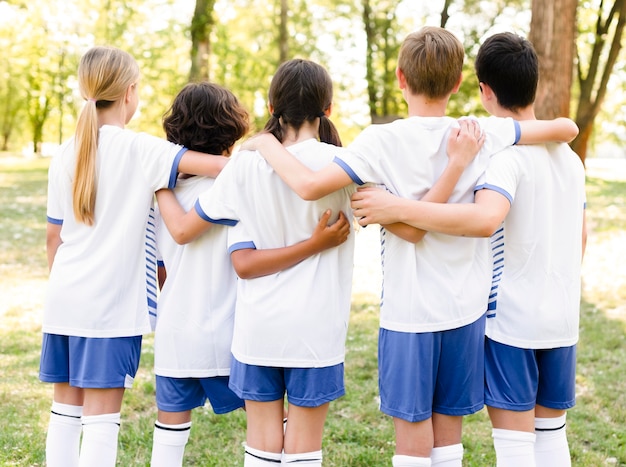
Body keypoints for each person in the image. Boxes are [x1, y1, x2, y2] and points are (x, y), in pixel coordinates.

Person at [240, 27, 579, 467]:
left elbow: (308, 185)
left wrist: (265, 142)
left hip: (409, 315)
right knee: (448, 439)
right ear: (459, 84)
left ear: (401, 78)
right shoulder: (478, 134)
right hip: (466, 311)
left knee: (414, 443)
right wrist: (458, 163)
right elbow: (564, 127)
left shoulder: (380, 142)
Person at [350, 32, 586, 467]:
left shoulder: (503, 157)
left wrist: (393, 207)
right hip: (562, 316)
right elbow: (582, 236)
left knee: (514, 446)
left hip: (510, 321)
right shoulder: (568, 159)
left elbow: (481, 221)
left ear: (482, 90)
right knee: (551, 438)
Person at [39, 46, 230, 467]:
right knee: (101, 423)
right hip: (108, 310)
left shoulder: (64, 154)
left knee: (65, 416)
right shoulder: (142, 150)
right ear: (129, 92)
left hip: (64, 301)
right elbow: (219, 168)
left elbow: (54, 239)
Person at [149, 81, 350, 466]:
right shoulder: (233, 181)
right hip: (231, 336)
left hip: (178, 334)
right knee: (287, 431)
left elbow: (164, 262)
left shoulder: (169, 193)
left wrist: (158, 182)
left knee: (172, 442)